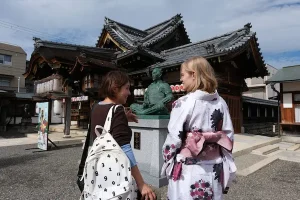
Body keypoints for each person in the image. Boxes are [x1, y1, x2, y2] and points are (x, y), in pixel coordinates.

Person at [161, 57, 236, 200]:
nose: (181, 80)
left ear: (194, 75)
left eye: (183, 75)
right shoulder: (221, 103)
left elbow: (173, 139)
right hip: (215, 166)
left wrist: (168, 161)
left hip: (188, 169)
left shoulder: (183, 103)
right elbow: (229, 136)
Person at [90, 70, 156, 200]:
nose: (129, 93)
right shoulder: (118, 110)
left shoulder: (96, 107)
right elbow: (125, 148)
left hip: (99, 169)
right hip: (115, 172)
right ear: (115, 89)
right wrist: (141, 183)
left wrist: (123, 118)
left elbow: (105, 129)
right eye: (126, 88)